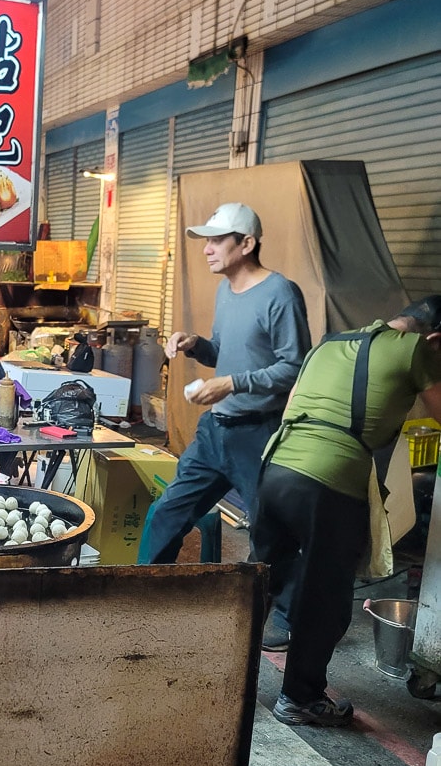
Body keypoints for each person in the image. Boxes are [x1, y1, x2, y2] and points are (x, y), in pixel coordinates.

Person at [252, 296, 441, 728]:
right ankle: (300, 698)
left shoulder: (330, 343)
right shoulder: (416, 349)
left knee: (262, 580)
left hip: (276, 467)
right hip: (330, 479)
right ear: (436, 338)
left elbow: (292, 407)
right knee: (325, 597)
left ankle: (224, 679)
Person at [142, 203, 311, 648]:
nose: (207, 249)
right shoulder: (225, 292)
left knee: (270, 532)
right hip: (214, 431)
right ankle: (141, 592)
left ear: (247, 244)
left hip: (259, 434)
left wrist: (232, 383)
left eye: (217, 240)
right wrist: (197, 345)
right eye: (206, 240)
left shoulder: (280, 294)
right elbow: (228, 353)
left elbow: (296, 368)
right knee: (167, 513)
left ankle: (288, 617)